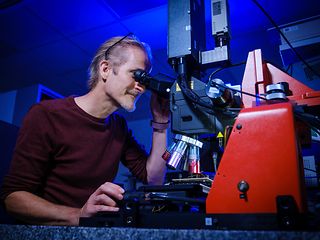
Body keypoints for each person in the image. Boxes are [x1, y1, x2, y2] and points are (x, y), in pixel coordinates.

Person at [1, 34, 169, 226]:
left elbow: (153, 180)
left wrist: (160, 124)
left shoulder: (118, 127)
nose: (141, 88)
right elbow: (13, 199)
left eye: (144, 81)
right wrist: (78, 214)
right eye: (136, 75)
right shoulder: (47, 114)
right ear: (105, 69)